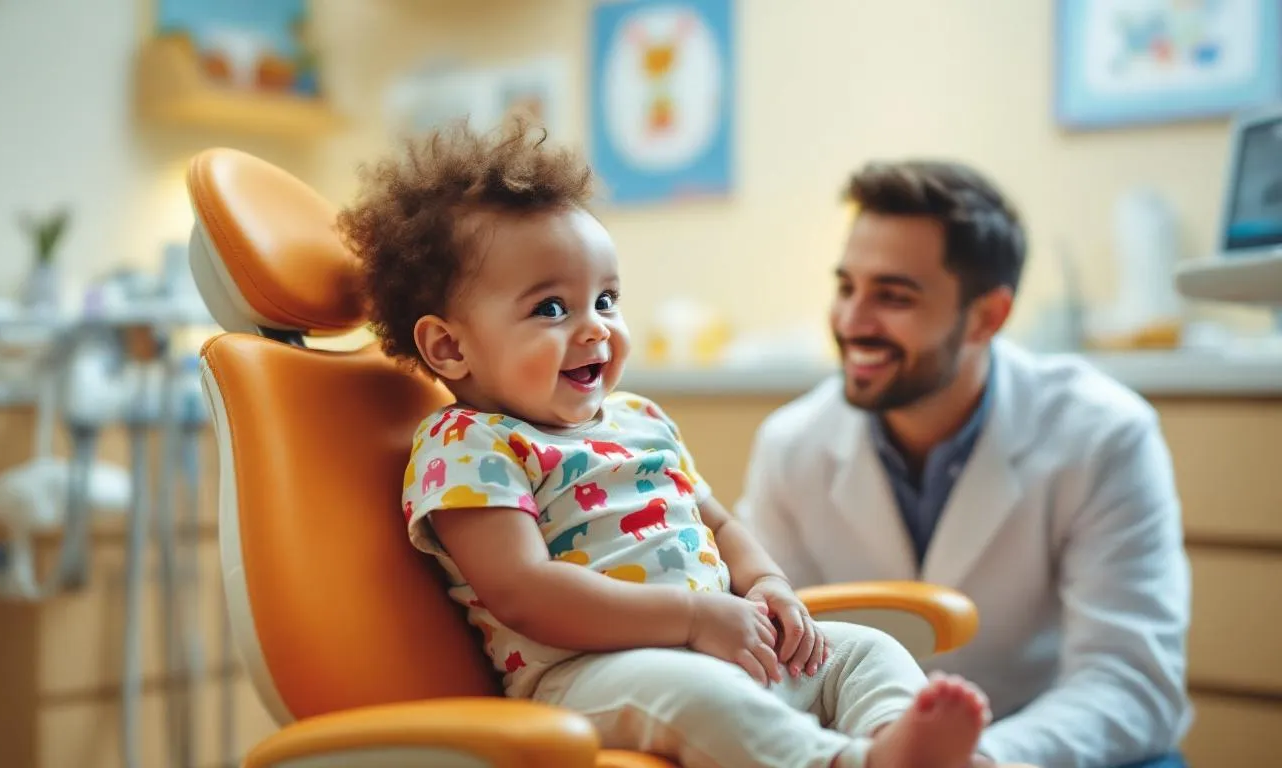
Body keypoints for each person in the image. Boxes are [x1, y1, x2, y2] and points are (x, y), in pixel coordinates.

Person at [338, 120, 1005, 768]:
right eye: (550, 308)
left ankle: (898, 742)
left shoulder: (638, 418)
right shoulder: (467, 444)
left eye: (606, 299)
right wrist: (690, 617)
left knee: (861, 649)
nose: (596, 329)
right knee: (699, 697)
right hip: (591, 678)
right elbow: (523, 592)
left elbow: (716, 522)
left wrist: (766, 583)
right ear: (449, 346)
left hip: (718, 646)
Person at [734, 159, 1193, 768]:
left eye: (892, 296)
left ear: (986, 317)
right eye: (847, 287)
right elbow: (763, 658)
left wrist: (981, 760)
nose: (851, 322)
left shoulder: (1104, 435)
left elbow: (1131, 682)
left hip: (1041, 750)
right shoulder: (792, 445)